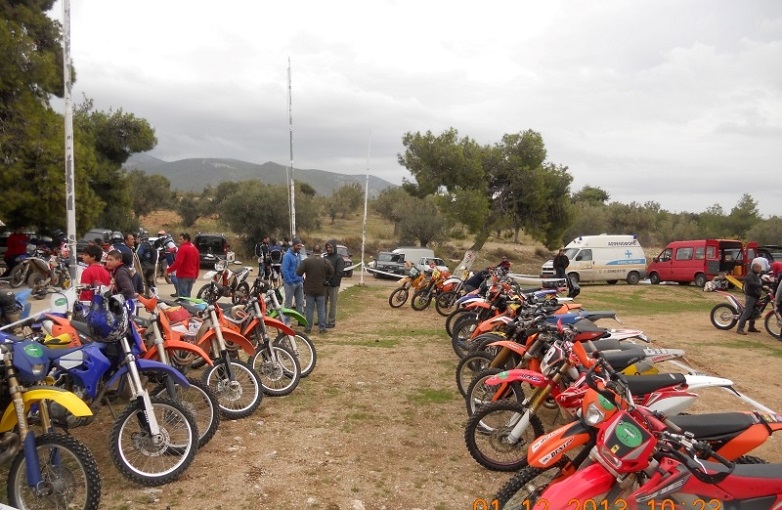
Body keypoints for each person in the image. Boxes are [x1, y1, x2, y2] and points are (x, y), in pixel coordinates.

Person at [296, 245, 334, 334]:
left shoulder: (307, 261)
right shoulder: (325, 261)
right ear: (320, 251)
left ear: (312, 251)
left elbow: (298, 272)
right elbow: (332, 272)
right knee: (321, 309)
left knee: (309, 309)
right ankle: (322, 328)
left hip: (309, 289)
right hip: (321, 289)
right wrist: (326, 279)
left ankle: (308, 327)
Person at [166, 233, 200, 298]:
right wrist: (196, 276)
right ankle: (187, 308)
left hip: (183, 276)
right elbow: (197, 264)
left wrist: (168, 270)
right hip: (192, 276)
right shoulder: (195, 249)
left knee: (183, 298)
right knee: (187, 296)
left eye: (181, 239)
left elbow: (178, 262)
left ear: (186, 240)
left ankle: (184, 307)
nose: (179, 241)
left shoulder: (182, 248)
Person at [736, 261, 764, 335]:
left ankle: (751, 327)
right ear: (755, 268)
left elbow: (758, 284)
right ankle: (740, 328)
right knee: (747, 312)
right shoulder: (750, 275)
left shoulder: (756, 275)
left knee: (754, 312)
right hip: (751, 296)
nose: (760, 270)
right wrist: (761, 286)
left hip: (755, 296)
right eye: (759, 268)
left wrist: (765, 288)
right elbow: (752, 284)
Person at [323, 240, 345, 329]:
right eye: (327, 247)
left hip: (334, 285)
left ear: (334, 248)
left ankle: (331, 321)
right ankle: (322, 320)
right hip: (324, 284)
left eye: (330, 247)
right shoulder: (325, 257)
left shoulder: (339, 259)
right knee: (322, 303)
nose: (328, 249)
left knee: (333, 303)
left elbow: (339, 273)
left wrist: (332, 282)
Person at [282, 237, 305, 314]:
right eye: (298, 246)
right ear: (294, 245)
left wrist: (301, 279)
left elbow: (300, 267)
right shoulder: (287, 256)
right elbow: (284, 270)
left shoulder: (299, 255)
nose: (299, 247)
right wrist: (289, 281)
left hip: (299, 282)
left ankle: (300, 319)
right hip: (290, 283)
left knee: (300, 302)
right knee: (288, 303)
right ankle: (286, 321)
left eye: (300, 246)